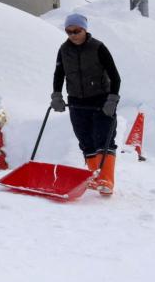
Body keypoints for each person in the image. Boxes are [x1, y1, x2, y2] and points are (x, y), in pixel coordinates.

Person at [50, 13, 122, 195]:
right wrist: (57, 95)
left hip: (101, 100)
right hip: (76, 101)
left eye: (77, 30)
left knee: (103, 138)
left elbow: (115, 76)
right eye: (69, 31)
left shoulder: (98, 47)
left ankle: (106, 180)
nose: (73, 35)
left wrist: (112, 99)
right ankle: (94, 177)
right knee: (85, 140)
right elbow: (59, 74)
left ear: (85, 29)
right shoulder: (63, 49)